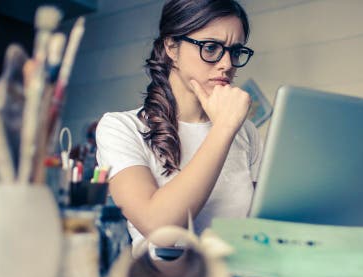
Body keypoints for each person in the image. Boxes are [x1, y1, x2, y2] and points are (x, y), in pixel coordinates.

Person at [96, 0, 262, 249]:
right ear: (172, 47)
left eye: (235, 51)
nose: (227, 64)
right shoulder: (120, 128)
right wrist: (224, 128)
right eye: (211, 47)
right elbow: (159, 229)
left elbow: (262, 226)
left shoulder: (245, 131)